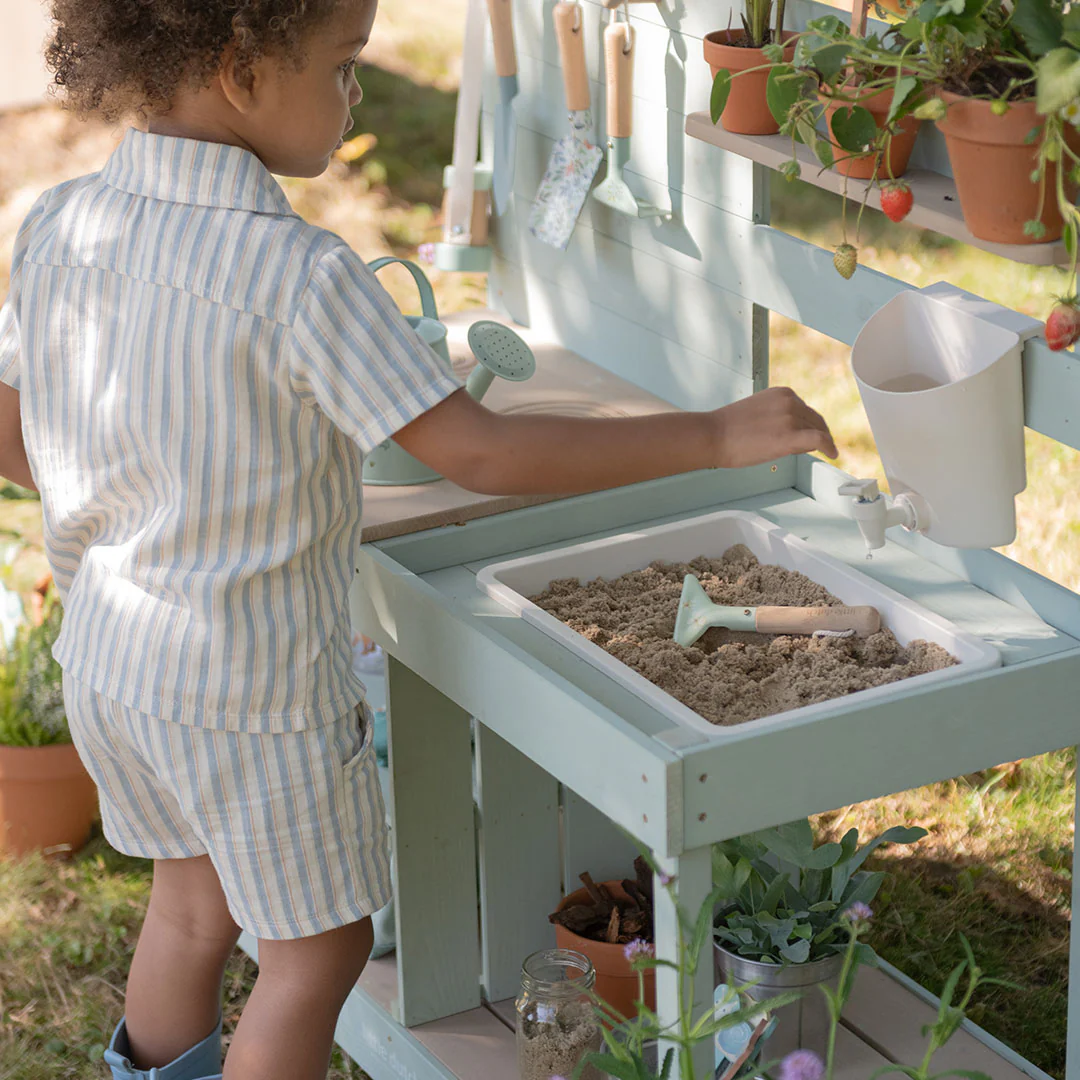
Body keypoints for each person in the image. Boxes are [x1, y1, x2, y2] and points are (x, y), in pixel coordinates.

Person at [0, 1, 837, 1078]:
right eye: (344, 65)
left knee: (191, 909)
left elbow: (17, 437)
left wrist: (156, 482)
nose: (354, 97)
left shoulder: (61, 220)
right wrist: (714, 433)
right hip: (252, 697)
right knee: (319, 949)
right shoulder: (299, 274)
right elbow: (481, 453)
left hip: (114, 668)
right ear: (242, 67)